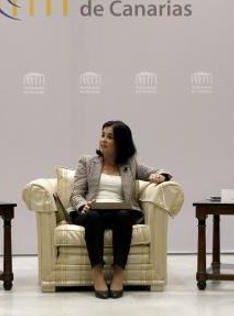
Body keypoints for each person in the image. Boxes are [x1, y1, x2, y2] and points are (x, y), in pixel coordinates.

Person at [70, 120, 171, 299]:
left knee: (124, 216)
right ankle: (97, 273)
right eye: (103, 135)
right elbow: (76, 194)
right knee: (93, 218)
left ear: (121, 142)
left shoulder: (130, 164)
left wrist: (159, 176)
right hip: (92, 211)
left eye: (110, 137)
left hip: (119, 212)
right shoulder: (87, 162)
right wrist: (82, 204)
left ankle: (118, 273)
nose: (104, 140)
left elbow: (158, 171)